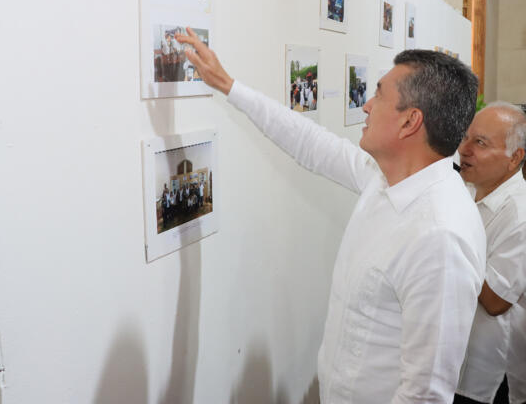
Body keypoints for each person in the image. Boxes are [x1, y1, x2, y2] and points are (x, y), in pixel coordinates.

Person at [176, 27, 486, 404]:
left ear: (410, 122)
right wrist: (228, 85)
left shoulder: (440, 236)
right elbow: (311, 144)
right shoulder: (385, 178)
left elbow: (427, 394)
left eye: (379, 95)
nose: (367, 106)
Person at [455, 103, 526, 404]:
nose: (464, 149)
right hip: (458, 360)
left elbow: (496, 301)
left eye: (480, 143)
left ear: (515, 158)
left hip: (491, 375)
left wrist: (449, 245)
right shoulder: (467, 191)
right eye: (466, 138)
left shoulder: (524, 217)